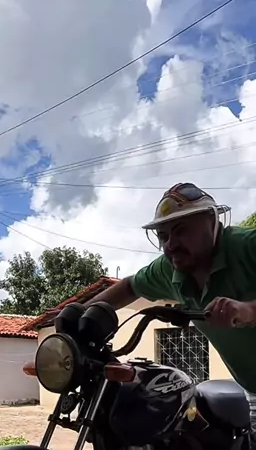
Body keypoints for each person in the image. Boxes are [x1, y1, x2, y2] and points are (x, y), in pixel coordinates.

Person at [88, 182, 256, 432]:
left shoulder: (248, 246)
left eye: (181, 231)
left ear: (212, 221)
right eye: (163, 236)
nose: (170, 245)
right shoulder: (170, 269)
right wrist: (81, 313)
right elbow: (130, 286)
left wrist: (248, 311)